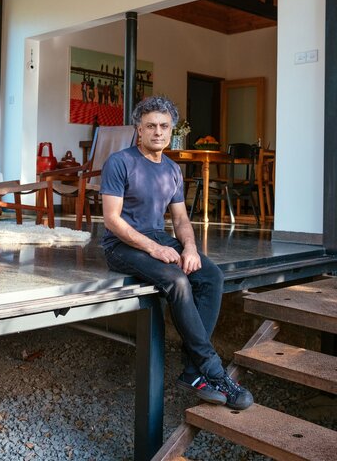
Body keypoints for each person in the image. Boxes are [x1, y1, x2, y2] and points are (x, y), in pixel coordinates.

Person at [100, 96, 253, 410]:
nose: (158, 132)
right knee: (178, 281)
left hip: (159, 237)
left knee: (211, 276)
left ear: (171, 130)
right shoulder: (120, 162)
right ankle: (212, 371)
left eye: (164, 126)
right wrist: (154, 248)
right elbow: (112, 220)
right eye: (151, 126)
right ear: (138, 130)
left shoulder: (172, 169)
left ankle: (191, 370)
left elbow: (181, 219)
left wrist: (190, 248)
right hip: (122, 246)